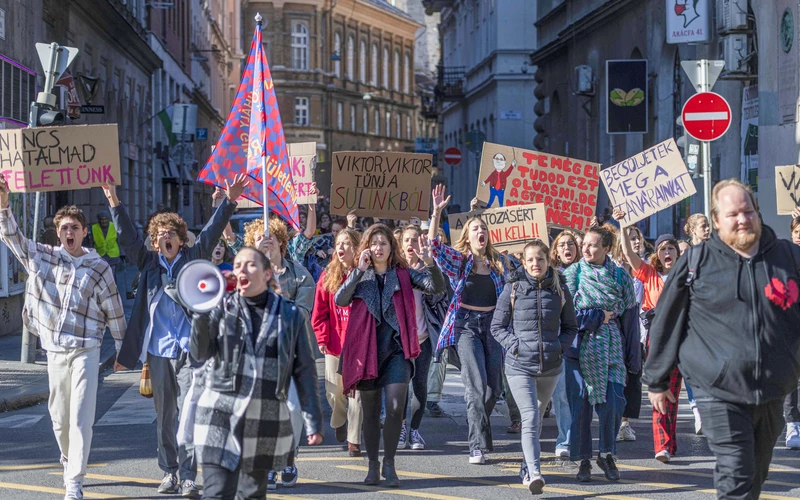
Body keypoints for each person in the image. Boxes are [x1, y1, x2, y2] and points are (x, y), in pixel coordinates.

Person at [644, 179, 800, 499]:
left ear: (757, 212)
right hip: (717, 387)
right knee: (736, 470)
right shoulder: (696, 262)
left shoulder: (788, 257)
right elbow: (666, 320)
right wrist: (657, 380)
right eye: (733, 214)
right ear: (716, 221)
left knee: (757, 472)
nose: (742, 219)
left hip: (774, 387)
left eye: (748, 211)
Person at [107, 175, 246, 498]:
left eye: (170, 234)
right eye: (158, 235)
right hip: (158, 353)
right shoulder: (149, 264)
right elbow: (127, 238)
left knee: (189, 415)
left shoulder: (194, 258)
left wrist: (229, 201)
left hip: (190, 351)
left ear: (181, 240)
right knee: (165, 417)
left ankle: (187, 476)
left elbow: (212, 232)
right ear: (154, 243)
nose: (164, 238)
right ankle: (168, 471)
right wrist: (114, 200)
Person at [0, 175, 126, 500]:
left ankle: (74, 482)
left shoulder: (98, 267)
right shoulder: (44, 256)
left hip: (87, 349)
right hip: (55, 350)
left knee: (82, 417)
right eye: (64, 228)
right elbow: (14, 239)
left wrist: (124, 350)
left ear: (84, 232)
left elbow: (114, 311)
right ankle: (69, 458)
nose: (69, 232)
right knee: (59, 418)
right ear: (58, 233)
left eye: (75, 227)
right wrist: (3, 205)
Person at [190, 247, 323, 499]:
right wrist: (204, 308)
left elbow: (304, 370)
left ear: (267, 274)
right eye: (237, 264)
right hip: (219, 415)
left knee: (251, 495)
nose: (241, 269)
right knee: (216, 493)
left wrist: (313, 420)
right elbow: (199, 353)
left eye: (250, 264)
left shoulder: (290, 314)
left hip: (264, 418)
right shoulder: (221, 307)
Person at [335, 224, 445, 487]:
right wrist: (359, 271)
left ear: (391, 247)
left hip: (397, 350)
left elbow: (435, 287)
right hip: (367, 351)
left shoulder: (404, 273)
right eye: (374, 243)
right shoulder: (360, 274)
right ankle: (373, 465)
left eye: (383, 243)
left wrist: (431, 263)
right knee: (370, 413)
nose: (378, 248)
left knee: (395, 407)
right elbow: (340, 299)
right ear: (367, 248)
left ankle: (390, 463)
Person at [427, 184, 517, 465]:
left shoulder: (500, 263)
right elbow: (433, 247)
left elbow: (530, 263)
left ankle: (482, 430)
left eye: (484, 229)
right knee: (475, 388)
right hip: (466, 326)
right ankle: (476, 446)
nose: (481, 232)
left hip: (493, 327)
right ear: (468, 236)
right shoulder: (460, 261)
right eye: (476, 228)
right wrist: (436, 213)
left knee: (493, 391)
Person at [491, 240, 578, 493]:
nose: (535, 264)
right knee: (529, 417)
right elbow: (497, 327)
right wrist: (515, 346)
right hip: (519, 366)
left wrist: (558, 346)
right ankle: (535, 472)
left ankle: (526, 465)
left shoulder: (560, 287)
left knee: (537, 419)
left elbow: (571, 326)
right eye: (530, 259)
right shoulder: (513, 287)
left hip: (551, 366)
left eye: (539, 259)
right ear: (523, 261)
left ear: (548, 260)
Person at [243, 216, 315, 489]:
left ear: (282, 243)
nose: (267, 240)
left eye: (272, 236)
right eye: (261, 238)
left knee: (293, 410)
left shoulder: (299, 274)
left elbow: (302, 313)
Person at [563, 225, 638, 483]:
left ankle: (606, 453)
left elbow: (630, 317)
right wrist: (595, 317)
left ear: (607, 248)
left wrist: (633, 357)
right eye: (584, 243)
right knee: (581, 405)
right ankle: (583, 460)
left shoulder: (620, 277)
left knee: (614, 403)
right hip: (579, 347)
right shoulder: (572, 274)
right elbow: (566, 315)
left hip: (612, 346)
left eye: (594, 244)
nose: (586, 248)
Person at [615, 212, 681, 463]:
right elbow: (630, 255)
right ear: (658, 254)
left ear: (677, 253)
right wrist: (622, 226)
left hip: (684, 340)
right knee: (660, 391)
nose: (667, 251)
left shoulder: (687, 275)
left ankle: (671, 443)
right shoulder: (649, 274)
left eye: (671, 248)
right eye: (662, 248)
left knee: (673, 395)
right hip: (659, 339)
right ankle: (661, 446)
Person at [311, 228, 364, 457]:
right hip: (334, 343)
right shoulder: (328, 274)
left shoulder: (366, 273)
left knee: (357, 394)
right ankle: (340, 419)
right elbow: (319, 311)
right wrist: (322, 337)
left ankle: (354, 439)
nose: (341, 248)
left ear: (357, 248)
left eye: (347, 244)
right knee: (334, 392)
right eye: (339, 244)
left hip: (360, 345)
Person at [398, 225, 450, 451]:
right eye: (407, 240)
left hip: (423, 338)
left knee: (419, 384)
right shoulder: (394, 270)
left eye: (415, 240)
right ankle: (400, 427)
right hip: (398, 341)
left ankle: (414, 430)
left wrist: (429, 263)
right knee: (399, 385)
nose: (411, 244)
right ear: (400, 245)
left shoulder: (429, 269)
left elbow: (439, 292)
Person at [611, 224, 647, 444]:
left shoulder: (643, 268)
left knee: (633, 376)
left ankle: (625, 423)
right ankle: (613, 421)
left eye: (638, 239)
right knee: (615, 376)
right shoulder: (611, 267)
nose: (635, 242)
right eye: (631, 238)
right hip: (614, 327)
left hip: (637, 330)